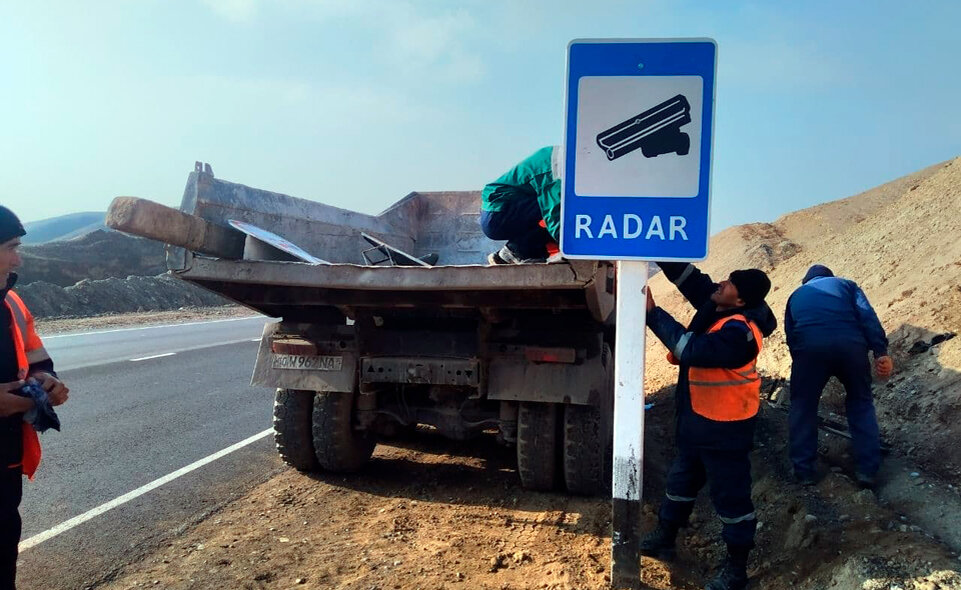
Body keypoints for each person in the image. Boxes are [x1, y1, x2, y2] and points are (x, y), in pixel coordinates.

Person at [641, 262, 776, 590]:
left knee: (732, 500)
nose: (720, 283)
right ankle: (666, 536)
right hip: (698, 421)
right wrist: (665, 253)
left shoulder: (740, 332)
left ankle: (736, 570)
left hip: (726, 429)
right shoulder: (719, 305)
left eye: (729, 284)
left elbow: (691, 350)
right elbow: (692, 281)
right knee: (680, 482)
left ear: (741, 301)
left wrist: (653, 314)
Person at [0, 205, 69, 589]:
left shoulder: (12, 302)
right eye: (10, 247)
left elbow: (38, 357)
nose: (18, 257)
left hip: (7, 457)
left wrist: (48, 383)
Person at [784, 264, 892, 488]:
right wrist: (881, 352)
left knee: (803, 407)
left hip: (809, 351)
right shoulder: (847, 286)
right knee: (860, 402)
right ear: (830, 276)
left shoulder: (796, 295)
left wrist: (803, 362)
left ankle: (804, 471)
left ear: (806, 281)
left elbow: (791, 335)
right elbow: (868, 318)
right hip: (851, 348)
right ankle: (867, 471)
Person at [480, 145, 561, 264]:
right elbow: (554, 213)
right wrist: (573, 249)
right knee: (567, 210)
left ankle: (511, 254)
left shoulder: (566, 157)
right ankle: (517, 251)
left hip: (504, 211)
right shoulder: (558, 167)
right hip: (499, 213)